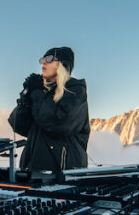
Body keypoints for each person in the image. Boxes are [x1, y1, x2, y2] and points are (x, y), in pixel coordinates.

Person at [8, 47, 90, 176]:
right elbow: (19, 126)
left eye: (49, 59)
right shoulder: (42, 91)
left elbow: (57, 124)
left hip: (62, 174)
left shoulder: (75, 91)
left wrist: (37, 93)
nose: (43, 63)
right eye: (42, 59)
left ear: (63, 65)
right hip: (33, 170)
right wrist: (26, 97)